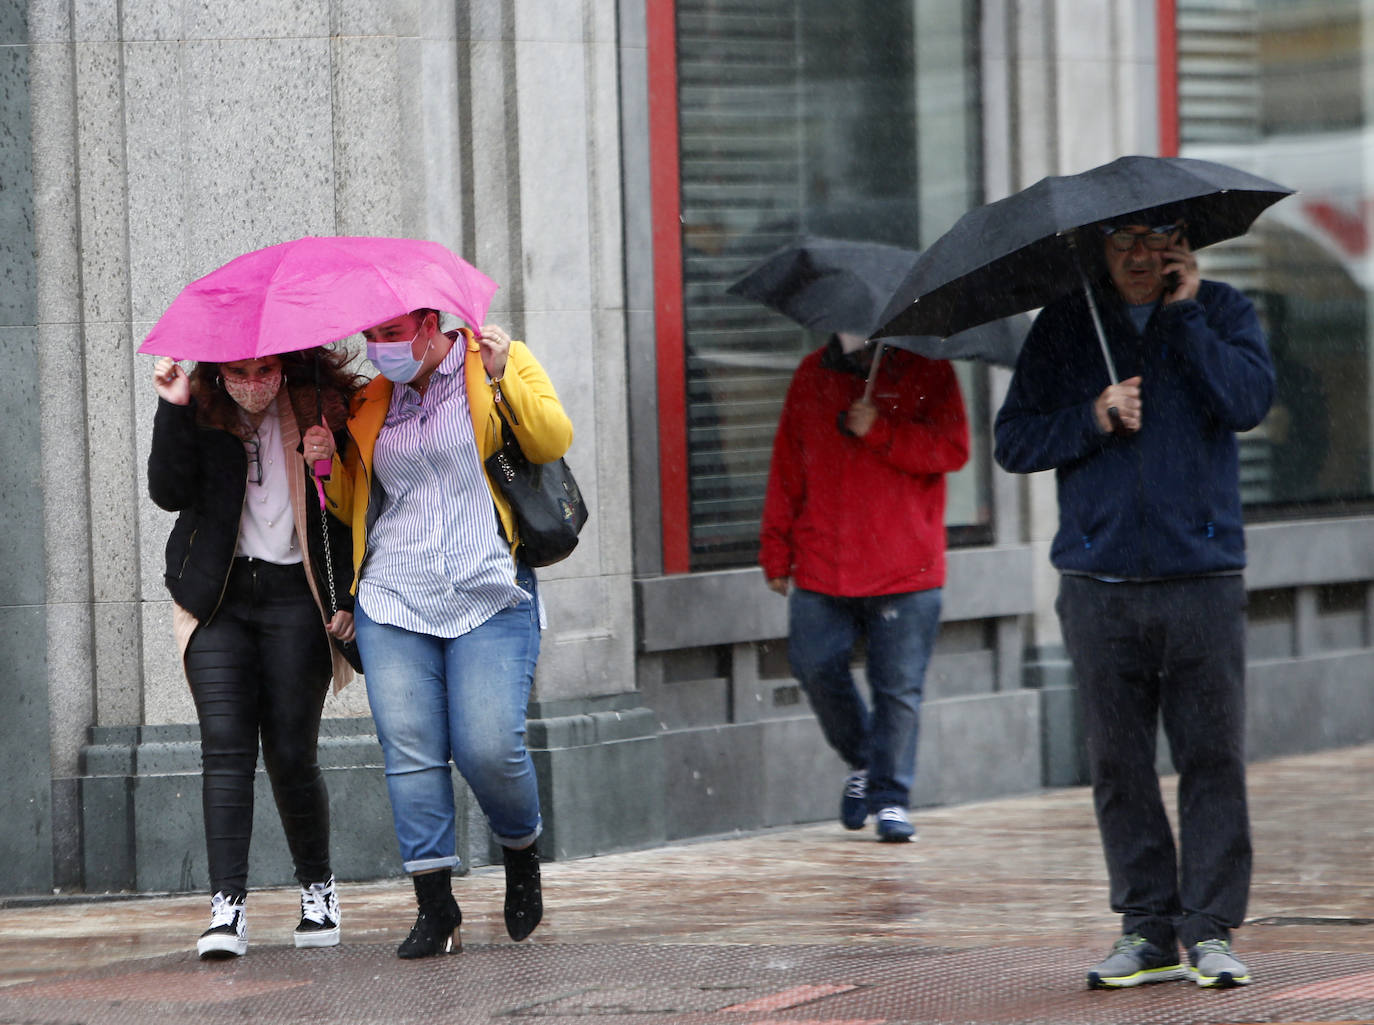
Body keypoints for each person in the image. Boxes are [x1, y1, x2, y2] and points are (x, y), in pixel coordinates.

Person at [994, 215, 1275, 990]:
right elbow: (1013, 439)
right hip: (1098, 585)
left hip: (1203, 579)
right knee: (1120, 766)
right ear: (1100, 250)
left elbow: (1247, 401)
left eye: (1158, 239)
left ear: (1183, 245)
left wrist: (1186, 319)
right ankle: (1147, 928)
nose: (1141, 255)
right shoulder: (1065, 325)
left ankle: (1210, 929)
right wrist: (1093, 414)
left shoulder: (1221, 311)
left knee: (1212, 758)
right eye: (1123, 241)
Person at [325, 309, 573, 958]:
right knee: (409, 751)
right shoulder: (369, 401)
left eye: (390, 334)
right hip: (394, 593)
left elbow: (550, 439)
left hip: (487, 587)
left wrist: (501, 379)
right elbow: (354, 507)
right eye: (369, 336)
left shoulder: (493, 362)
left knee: (488, 746)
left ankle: (521, 852)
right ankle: (435, 906)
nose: (378, 349)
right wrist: (329, 466)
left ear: (431, 324)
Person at [148, 346, 364, 959]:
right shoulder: (202, 412)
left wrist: (343, 589)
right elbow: (167, 492)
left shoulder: (319, 410)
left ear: (285, 366)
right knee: (225, 748)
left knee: (292, 752)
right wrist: (173, 408)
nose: (253, 385)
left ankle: (318, 890)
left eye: (264, 372)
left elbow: (352, 515)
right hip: (218, 599)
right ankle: (227, 908)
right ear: (219, 372)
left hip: (297, 597)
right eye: (239, 374)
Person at [759, 331, 969, 842]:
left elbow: (952, 450)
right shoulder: (811, 373)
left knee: (897, 688)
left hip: (906, 565)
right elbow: (788, 463)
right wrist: (775, 549)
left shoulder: (930, 370)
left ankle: (890, 798)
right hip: (821, 562)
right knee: (814, 666)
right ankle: (867, 762)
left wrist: (881, 430)